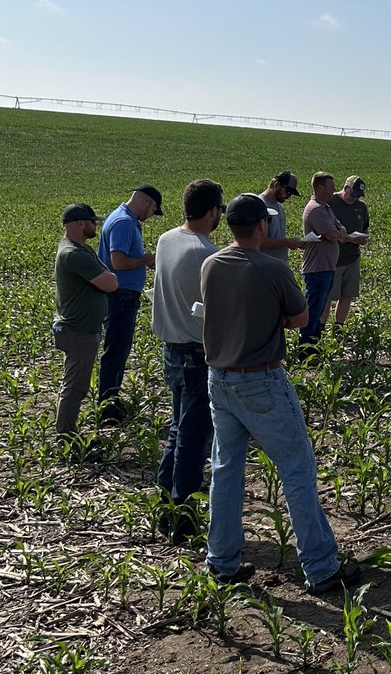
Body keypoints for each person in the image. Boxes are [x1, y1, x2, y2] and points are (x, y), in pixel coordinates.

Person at [200, 193, 361, 592]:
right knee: (297, 470)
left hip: (218, 379)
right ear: (262, 226)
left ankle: (221, 561)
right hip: (262, 379)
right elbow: (300, 319)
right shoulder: (272, 269)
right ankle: (321, 567)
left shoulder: (211, 263)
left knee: (225, 469)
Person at [150, 179, 223, 544]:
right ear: (212, 212)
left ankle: (164, 508)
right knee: (193, 440)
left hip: (171, 350)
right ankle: (182, 521)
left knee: (178, 432)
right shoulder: (206, 254)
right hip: (196, 354)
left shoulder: (166, 239)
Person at [53, 203, 118, 459]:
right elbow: (110, 283)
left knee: (76, 384)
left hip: (82, 328)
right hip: (78, 331)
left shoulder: (80, 249)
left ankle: (68, 435)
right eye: (92, 221)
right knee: (75, 387)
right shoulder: (74, 254)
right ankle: (67, 440)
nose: (96, 225)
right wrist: (108, 278)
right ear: (80, 223)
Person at [97, 184, 162, 420]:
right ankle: (108, 407)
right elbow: (118, 262)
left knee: (118, 349)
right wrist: (145, 259)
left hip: (122, 294)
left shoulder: (123, 219)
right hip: (120, 295)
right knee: (116, 350)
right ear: (146, 202)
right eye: (154, 209)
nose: (152, 214)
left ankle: (111, 400)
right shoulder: (124, 222)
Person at [298, 172, 348, 352]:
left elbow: (341, 229)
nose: (334, 191)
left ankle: (313, 346)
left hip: (326, 267)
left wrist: (338, 231)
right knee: (313, 311)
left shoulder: (325, 207)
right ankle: (306, 350)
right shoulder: (316, 209)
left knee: (318, 310)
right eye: (330, 187)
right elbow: (333, 234)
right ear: (319, 188)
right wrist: (338, 231)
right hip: (317, 268)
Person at [322, 175, 370, 329]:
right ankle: (320, 328)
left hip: (352, 257)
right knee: (328, 297)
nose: (354, 198)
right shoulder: (330, 202)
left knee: (347, 295)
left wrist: (362, 238)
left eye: (357, 196)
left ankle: (339, 327)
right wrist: (339, 237)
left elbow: (365, 228)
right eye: (352, 194)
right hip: (333, 259)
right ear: (346, 188)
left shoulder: (361, 207)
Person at [259, 171, 308, 262]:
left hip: (278, 264)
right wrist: (287, 242)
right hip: (264, 265)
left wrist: (297, 243)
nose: (288, 196)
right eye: (288, 192)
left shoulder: (280, 208)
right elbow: (258, 241)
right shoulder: (260, 205)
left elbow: (278, 238)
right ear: (276, 185)